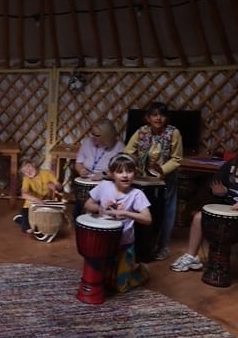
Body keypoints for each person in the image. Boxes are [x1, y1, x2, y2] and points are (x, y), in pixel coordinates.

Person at [82, 153, 152, 293]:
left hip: (124, 244)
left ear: (135, 173)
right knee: (103, 281)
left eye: (129, 171)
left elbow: (147, 219)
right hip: (104, 243)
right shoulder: (104, 186)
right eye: (120, 172)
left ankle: (141, 271)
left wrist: (125, 213)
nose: (125, 175)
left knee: (120, 287)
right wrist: (101, 209)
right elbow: (88, 204)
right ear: (112, 174)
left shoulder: (136, 194)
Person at [124, 102, 182, 261]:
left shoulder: (173, 133)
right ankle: (141, 244)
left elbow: (177, 159)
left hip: (165, 179)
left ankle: (163, 246)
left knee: (166, 212)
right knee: (143, 210)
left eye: (162, 115)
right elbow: (128, 152)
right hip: (144, 179)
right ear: (147, 118)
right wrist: (133, 166)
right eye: (154, 115)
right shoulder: (141, 132)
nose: (158, 118)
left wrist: (161, 170)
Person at [170, 156, 238, 272]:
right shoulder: (231, 165)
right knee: (198, 218)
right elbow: (216, 185)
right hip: (228, 208)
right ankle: (191, 257)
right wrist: (221, 192)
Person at [16, 158, 62, 233]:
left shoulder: (46, 173)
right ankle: (20, 219)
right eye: (25, 171)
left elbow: (60, 187)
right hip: (30, 206)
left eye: (29, 167)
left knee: (47, 224)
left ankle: (22, 218)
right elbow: (24, 194)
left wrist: (55, 186)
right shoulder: (26, 179)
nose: (28, 171)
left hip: (44, 203)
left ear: (34, 165)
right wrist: (37, 200)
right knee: (29, 230)